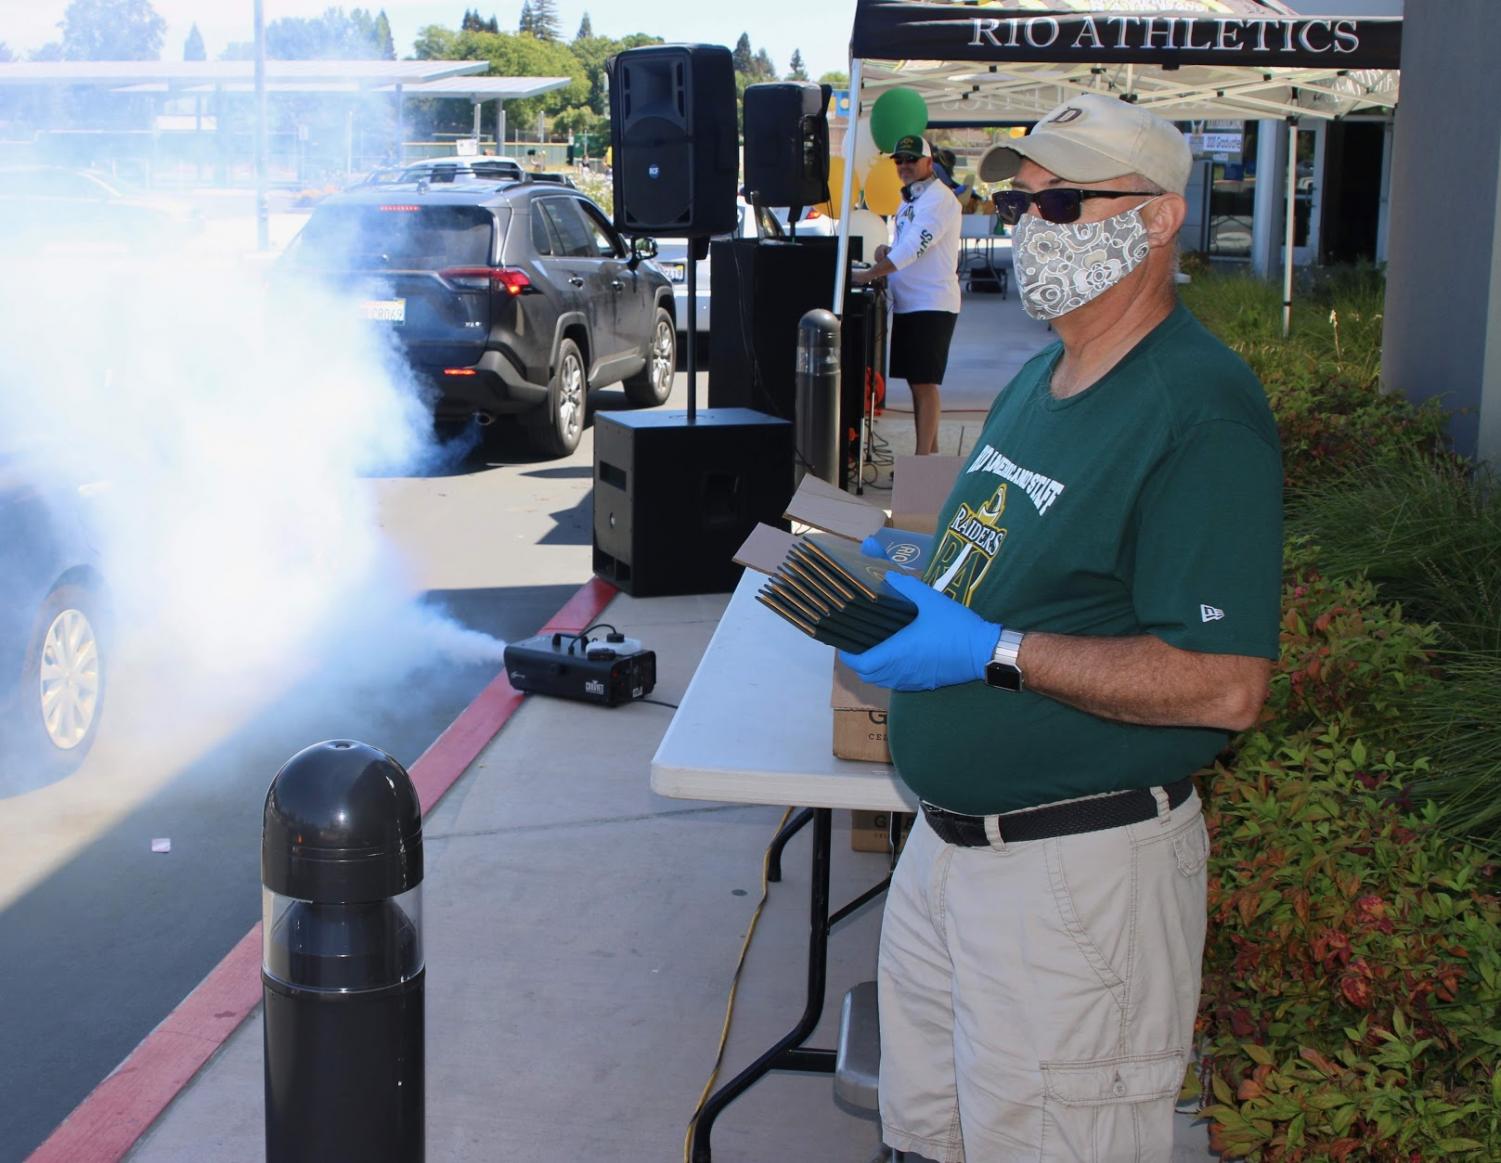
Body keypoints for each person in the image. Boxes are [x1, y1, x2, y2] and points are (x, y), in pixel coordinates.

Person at [840, 93, 1284, 1162]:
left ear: (1160, 219)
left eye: (1067, 201)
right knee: (923, 1137)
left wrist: (989, 652)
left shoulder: (1198, 407)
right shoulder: (1046, 372)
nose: (1031, 224)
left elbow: (1225, 684)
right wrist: (905, 575)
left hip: (1074, 880)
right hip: (948, 856)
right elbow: (997, 553)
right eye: (1021, 200)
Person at [851, 134, 962, 456]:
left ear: (929, 162)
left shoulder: (939, 199)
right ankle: (929, 459)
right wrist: (889, 250)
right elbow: (908, 244)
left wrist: (871, 273)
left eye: (911, 160)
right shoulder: (912, 199)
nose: (904, 166)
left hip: (931, 303)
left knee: (925, 385)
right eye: (899, 160)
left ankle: (923, 462)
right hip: (911, 303)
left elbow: (917, 247)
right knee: (917, 385)